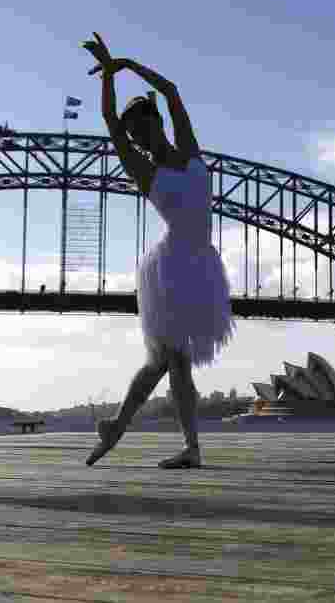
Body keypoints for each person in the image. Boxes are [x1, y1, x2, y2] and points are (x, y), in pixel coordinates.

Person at [82, 33, 233, 469]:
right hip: (170, 271)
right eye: (134, 134)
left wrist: (126, 63)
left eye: (144, 127)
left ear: (158, 122)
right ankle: (190, 448)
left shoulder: (189, 151)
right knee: (177, 360)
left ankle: (116, 425)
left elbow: (172, 92)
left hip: (201, 265)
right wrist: (108, 78)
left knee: (161, 362)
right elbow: (110, 120)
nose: (139, 137)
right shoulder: (142, 169)